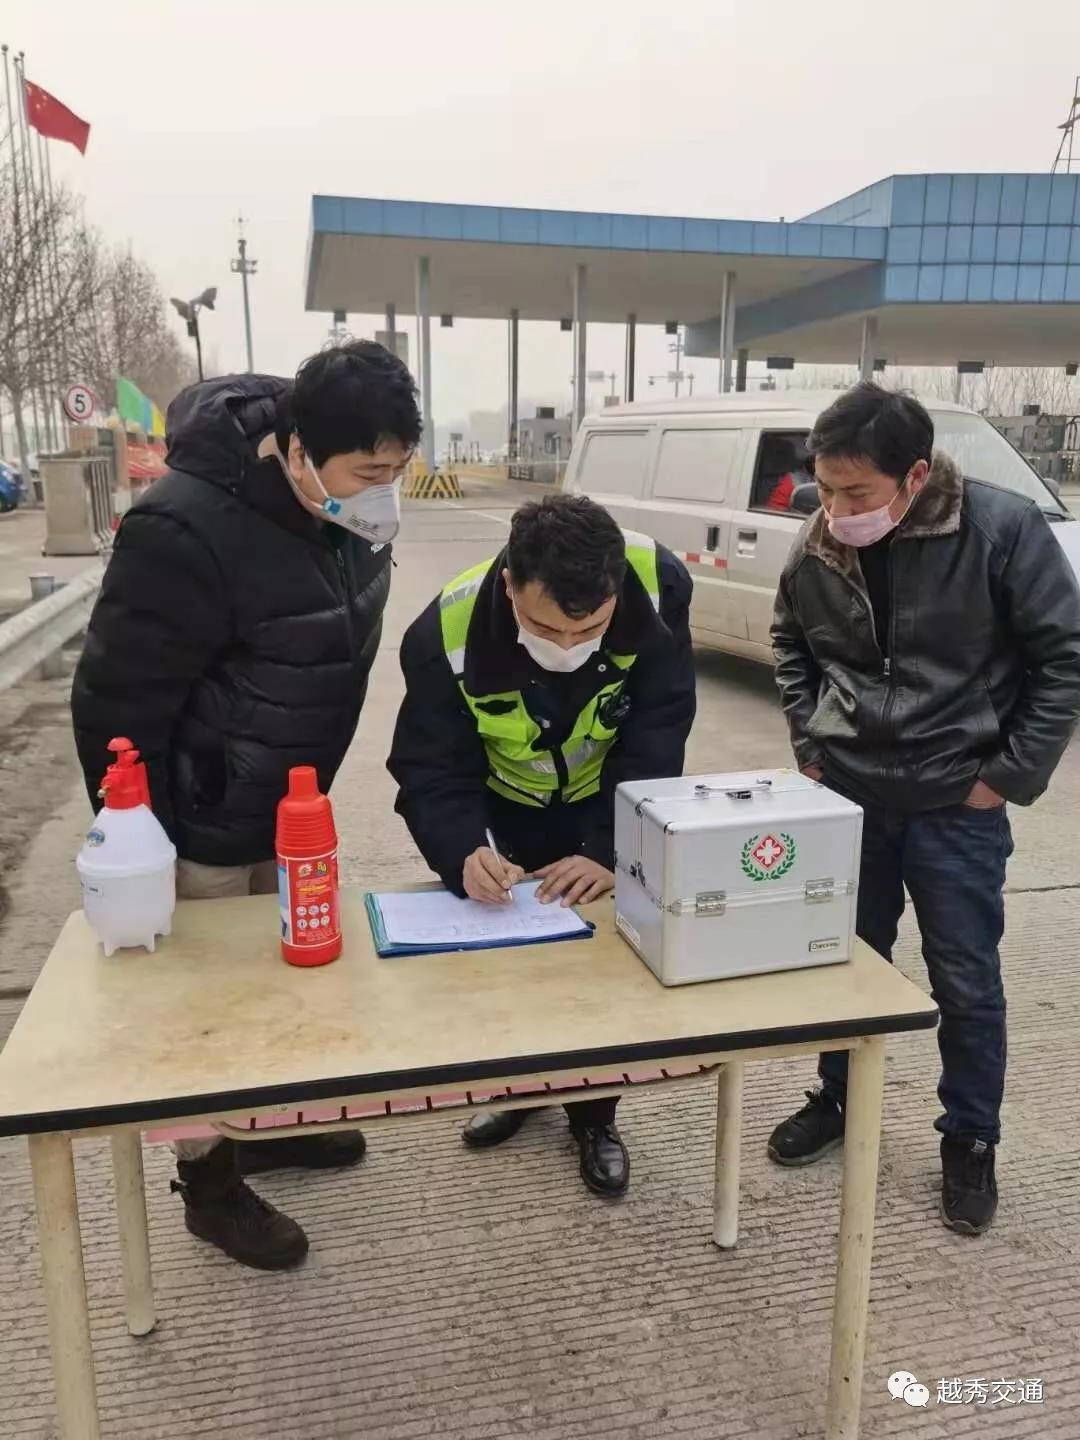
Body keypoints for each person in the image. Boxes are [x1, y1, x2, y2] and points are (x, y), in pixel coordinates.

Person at [72, 341, 421, 1270]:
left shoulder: (350, 516)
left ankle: (263, 1127)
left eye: (397, 470)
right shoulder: (183, 530)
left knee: (281, 980)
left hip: (290, 803)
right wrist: (140, 844)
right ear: (298, 450)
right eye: (369, 473)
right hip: (200, 819)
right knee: (198, 1013)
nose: (384, 492)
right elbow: (114, 704)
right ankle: (210, 1184)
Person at [768, 381, 1080, 1236]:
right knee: (846, 961)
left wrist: (1004, 777)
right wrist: (812, 745)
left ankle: (971, 1138)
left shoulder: (1001, 531)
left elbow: (1064, 661)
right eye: (826, 489)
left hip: (957, 803)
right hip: (851, 796)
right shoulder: (820, 539)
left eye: (856, 492)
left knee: (966, 980)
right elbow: (790, 642)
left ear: (915, 475)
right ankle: (837, 1097)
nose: (838, 511)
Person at [388, 494, 695, 1197]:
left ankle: (594, 1115)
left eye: (588, 628)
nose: (566, 646)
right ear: (509, 585)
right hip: (508, 807)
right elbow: (432, 768)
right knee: (513, 959)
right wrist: (464, 850)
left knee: (601, 969)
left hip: (606, 798)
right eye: (543, 626)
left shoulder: (659, 585)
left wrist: (610, 847)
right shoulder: (442, 633)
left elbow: (658, 729)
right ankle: (521, 1087)